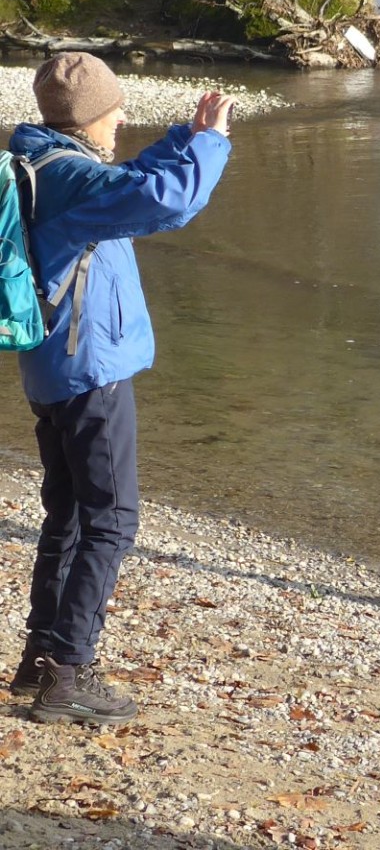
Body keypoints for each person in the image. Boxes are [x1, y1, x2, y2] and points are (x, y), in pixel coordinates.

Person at [6, 52, 234, 725]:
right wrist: (214, 145)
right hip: (88, 371)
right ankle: (68, 675)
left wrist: (184, 138)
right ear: (88, 119)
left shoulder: (45, 163)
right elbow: (166, 201)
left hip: (53, 369)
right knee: (112, 520)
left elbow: (130, 180)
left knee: (70, 516)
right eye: (116, 111)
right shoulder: (73, 177)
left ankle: (38, 660)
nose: (124, 118)